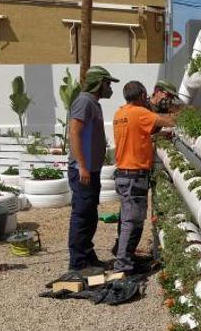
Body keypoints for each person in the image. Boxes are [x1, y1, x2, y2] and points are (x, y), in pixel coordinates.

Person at [111, 81, 178, 275]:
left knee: (126, 220)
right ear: (142, 95)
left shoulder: (120, 113)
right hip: (134, 176)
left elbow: (136, 136)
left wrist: (153, 138)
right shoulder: (139, 113)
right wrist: (183, 111)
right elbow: (169, 121)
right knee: (132, 223)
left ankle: (125, 257)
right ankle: (123, 265)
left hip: (123, 173)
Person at [67, 66, 119, 271]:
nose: (110, 88)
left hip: (92, 169)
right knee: (81, 216)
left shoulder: (93, 103)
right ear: (98, 83)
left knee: (90, 215)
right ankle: (78, 264)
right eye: (108, 83)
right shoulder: (84, 102)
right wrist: (82, 166)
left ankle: (88, 256)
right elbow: (75, 134)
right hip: (83, 171)